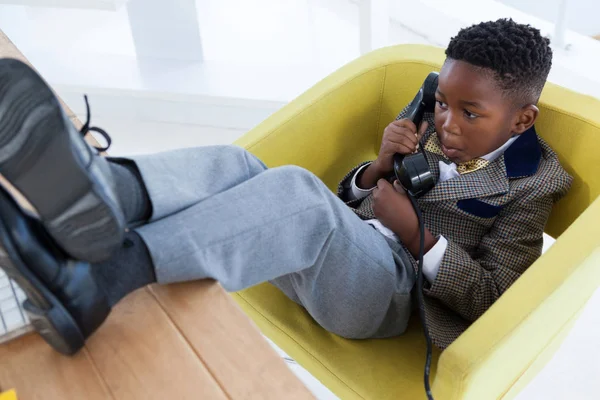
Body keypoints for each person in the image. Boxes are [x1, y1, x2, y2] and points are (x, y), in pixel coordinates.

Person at [0, 19, 572, 355]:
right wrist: (375, 170)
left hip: (390, 299)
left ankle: (106, 277)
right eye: (442, 102)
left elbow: (495, 300)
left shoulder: (534, 184)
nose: (446, 123)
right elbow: (345, 203)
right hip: (340, 247)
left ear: (522, 120)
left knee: (296, 194)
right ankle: (110, 191)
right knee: (237, 163)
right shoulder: (433, 116)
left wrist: (416, 234)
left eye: (469, 114)